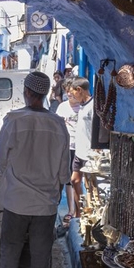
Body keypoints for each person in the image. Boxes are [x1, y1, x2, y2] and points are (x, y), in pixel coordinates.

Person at [0, 70, 70, 268]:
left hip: (15, 202)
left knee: (9, 256)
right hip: (45, 207)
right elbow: (64, 172)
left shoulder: (14, 121)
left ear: (26, 92)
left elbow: (1, 159)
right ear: (46, 93)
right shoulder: (59, 125)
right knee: (40, 258)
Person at [54, 86, 82, 223]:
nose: (70, 94)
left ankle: (81, 210)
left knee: (84, 179)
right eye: (68, 91)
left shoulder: (84, 107)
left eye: (73, 91)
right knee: (70, 179)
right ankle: (72, 209)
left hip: (82, 146)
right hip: (67, 146)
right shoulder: (62, 108)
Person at [69, 77, 94, 218]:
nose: (72, 97)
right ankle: (78, 213)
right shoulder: (82, 106)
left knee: (90, 186)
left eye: (73, 93)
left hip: (89, 153)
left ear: (79, 90)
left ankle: (88, 215)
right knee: (75, 181)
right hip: (79, 152)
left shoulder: (93, 105)